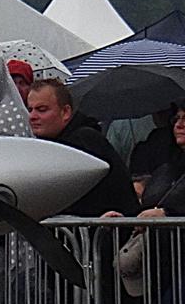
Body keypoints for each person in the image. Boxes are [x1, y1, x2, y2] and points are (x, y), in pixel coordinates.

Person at [26, 78, 138, 216]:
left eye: (42, 110)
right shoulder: (45, 146)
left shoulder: (85, 141)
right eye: (30, 109)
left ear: (65, 112)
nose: (32, 116)